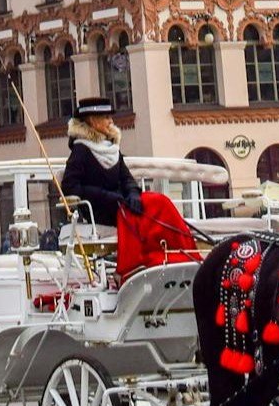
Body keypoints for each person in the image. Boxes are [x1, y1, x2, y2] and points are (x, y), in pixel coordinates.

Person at [60, 97, 198, 279]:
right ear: (93, 121)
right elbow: (70, 187)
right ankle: (141, 262)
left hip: (123, 203)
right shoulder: (81, 151)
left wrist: (133, 193)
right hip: (102, 209)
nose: (111, 121)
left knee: (160, 202)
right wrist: (108, 196)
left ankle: (182, 252)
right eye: (107, 117)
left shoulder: (111, 149)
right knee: (155, 205)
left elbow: (127, 178)